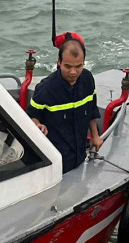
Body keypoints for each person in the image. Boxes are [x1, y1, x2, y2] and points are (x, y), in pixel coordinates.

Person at [27, 33, 103, 173]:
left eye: (78, 66)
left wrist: (95, 135)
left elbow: (92, 110)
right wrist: (37, 125)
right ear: (59, 62)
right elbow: (31, 116)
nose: (73, 72)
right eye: (67, 66)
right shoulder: (45, 89)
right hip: (54, 161)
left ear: (84, 63)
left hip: (79, 156)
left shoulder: (88, 79)